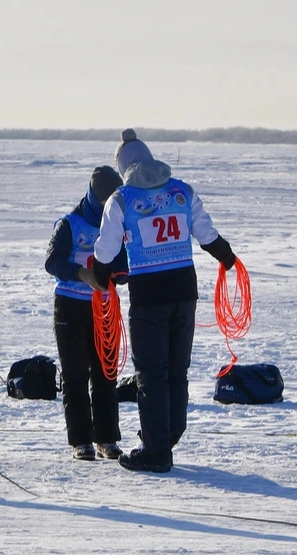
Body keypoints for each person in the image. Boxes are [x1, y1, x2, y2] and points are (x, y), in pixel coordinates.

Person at [90, 134, 238, 474]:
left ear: (123, 166)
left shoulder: (121, 199)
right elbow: (207, 234)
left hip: (149, 296)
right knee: (176, 369)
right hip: (184, 292)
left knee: (151, 373)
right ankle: (168, 433)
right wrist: (228, 258)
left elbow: (106, 251)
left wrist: (100, 277)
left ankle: (156, 451)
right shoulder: (181, 191)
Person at [45, 162, 125, 461]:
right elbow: (52, 262)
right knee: (75, 376)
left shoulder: (117, 223)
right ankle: (81, 441)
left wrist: (118, 276)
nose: (107, 205)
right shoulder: (69, 224)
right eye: (103, 199)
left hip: (104, 308)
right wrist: (82, 274)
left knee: (106, 374)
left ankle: (107, 438)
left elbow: (124, 264)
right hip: (70, 305)